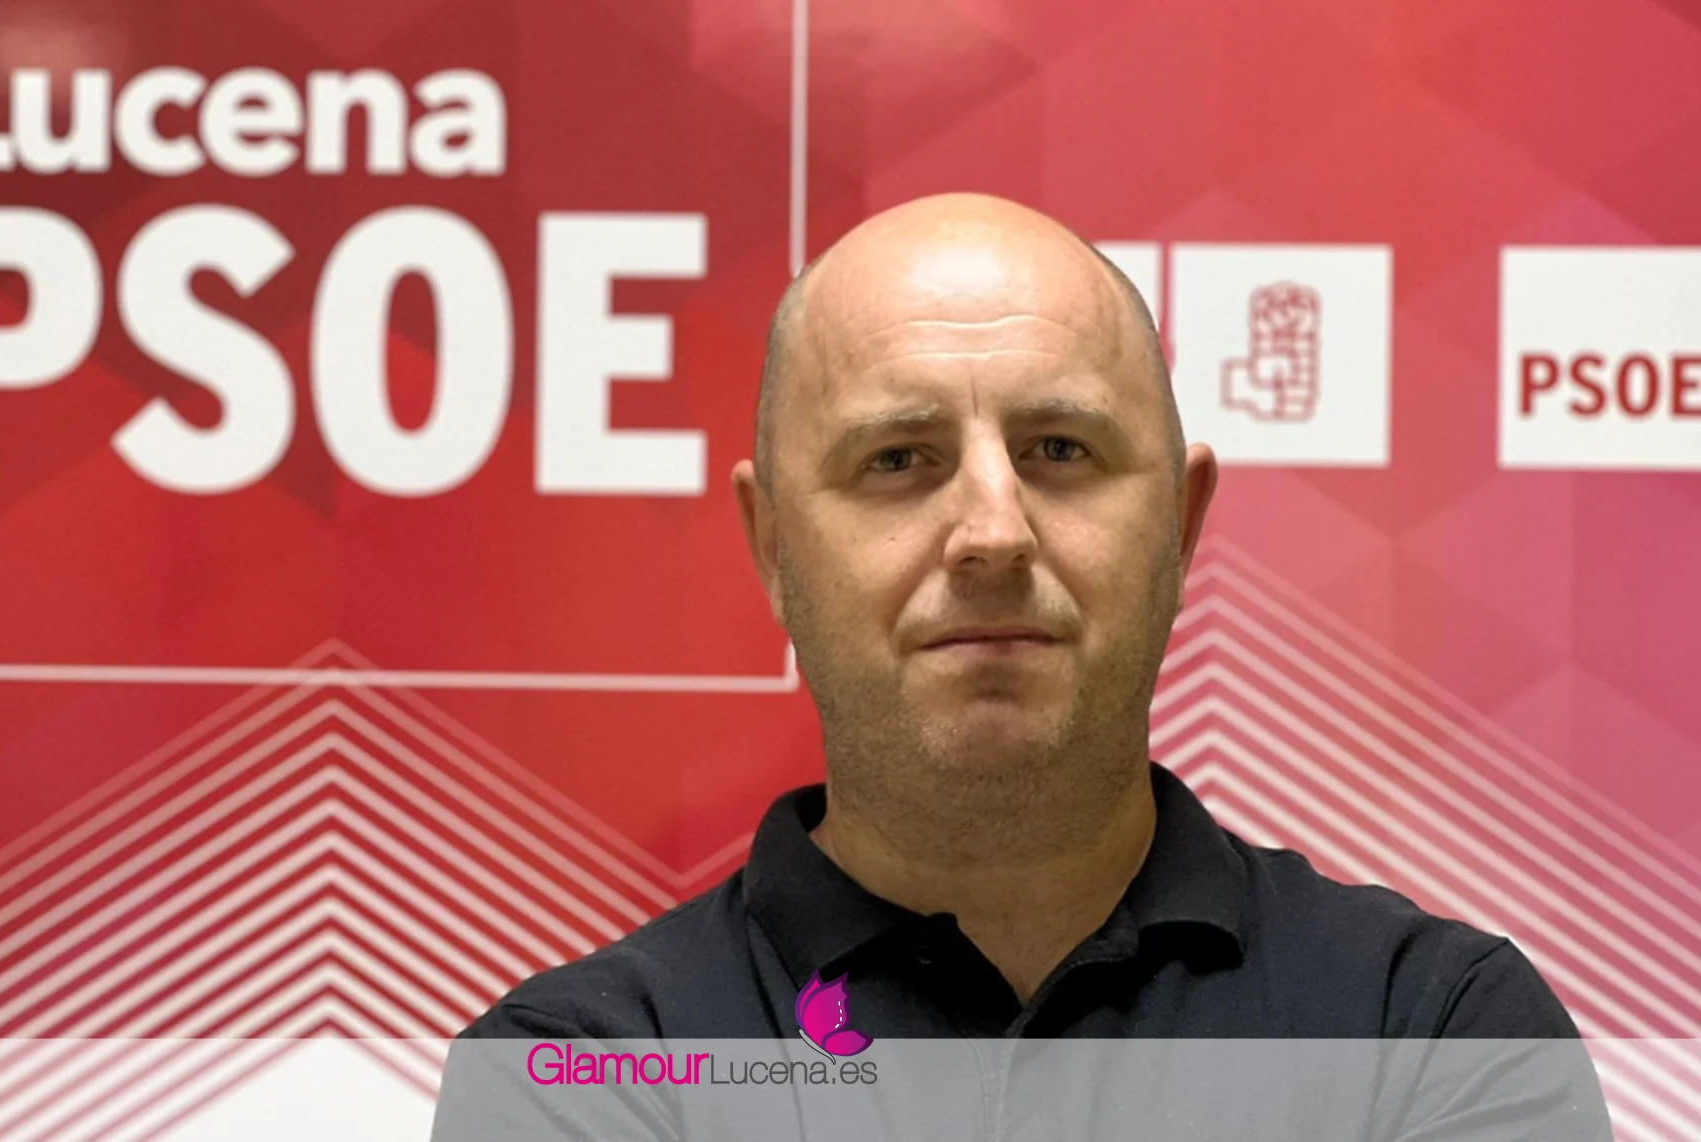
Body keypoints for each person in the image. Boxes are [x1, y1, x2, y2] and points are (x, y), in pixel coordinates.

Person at [447, 191, 1591, 1048]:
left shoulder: (1430, 1029)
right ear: (775, 547)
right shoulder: (586, 1062)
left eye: (1058, 448)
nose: (991, 531)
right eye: (898, 458)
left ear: (1179, 523)